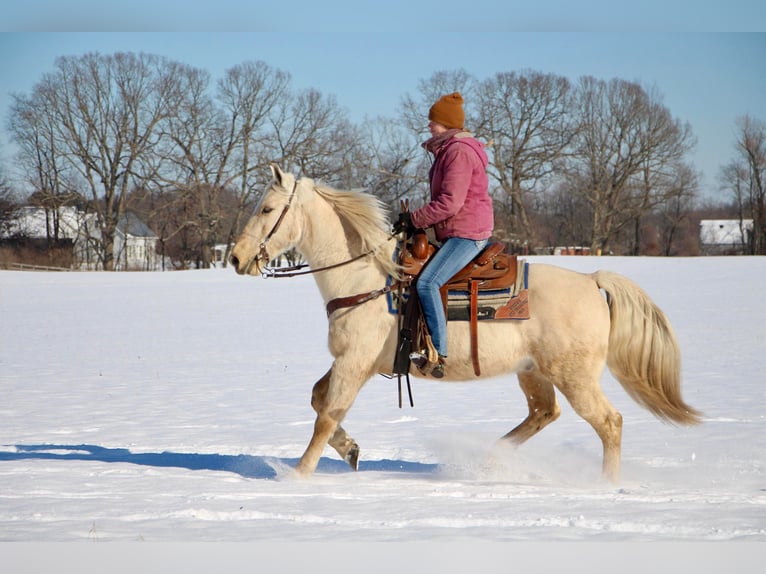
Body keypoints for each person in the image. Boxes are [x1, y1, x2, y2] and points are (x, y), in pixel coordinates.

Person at [394, 92, 494, 378]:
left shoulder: (458, 152)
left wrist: (415, 219)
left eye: (433, 121)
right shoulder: (447, 150)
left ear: (447, 124)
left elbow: (451, 202)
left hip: (468, 233)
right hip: (455, 230)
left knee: (427, 283)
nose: (429, 126)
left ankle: (438, 352)